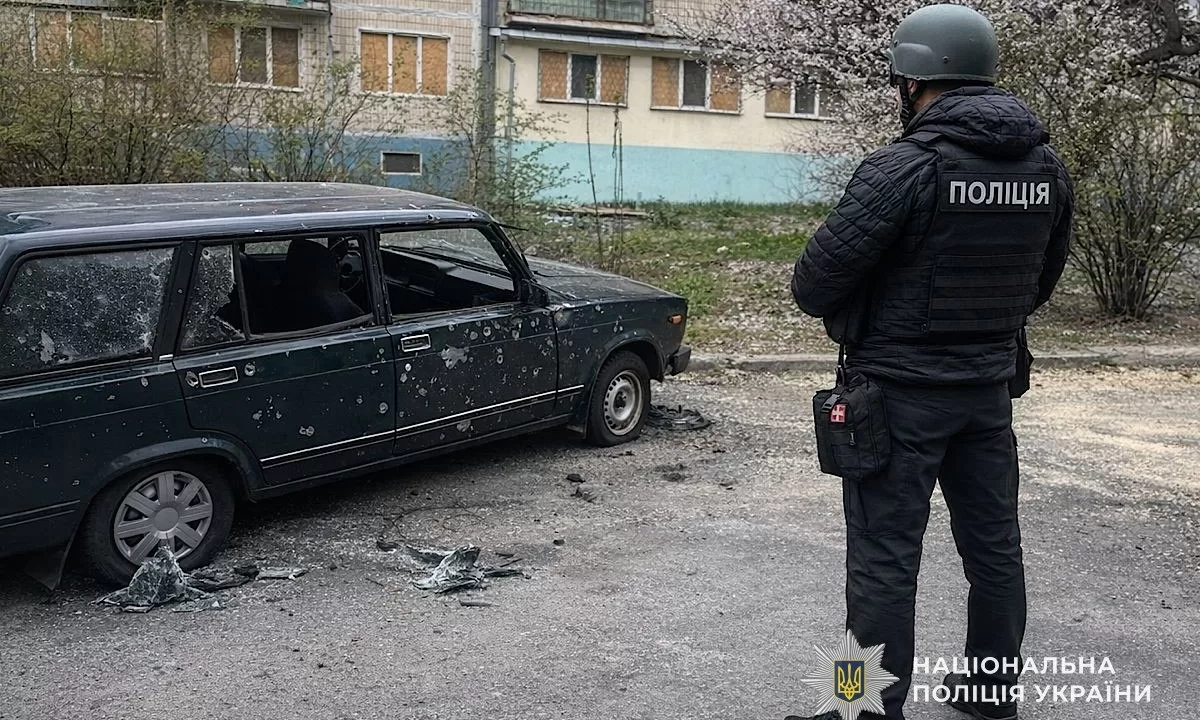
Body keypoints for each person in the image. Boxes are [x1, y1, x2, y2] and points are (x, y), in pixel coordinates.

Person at [787, 5, 1074, 720]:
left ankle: (858, 710)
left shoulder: (904, 167)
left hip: (897, 398)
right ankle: (989, 694)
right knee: (995, 552)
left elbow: (813, 285)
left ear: (912, 80)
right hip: (987, 393)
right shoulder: (1046, 167)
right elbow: (1041, 280)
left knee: (883, 563)